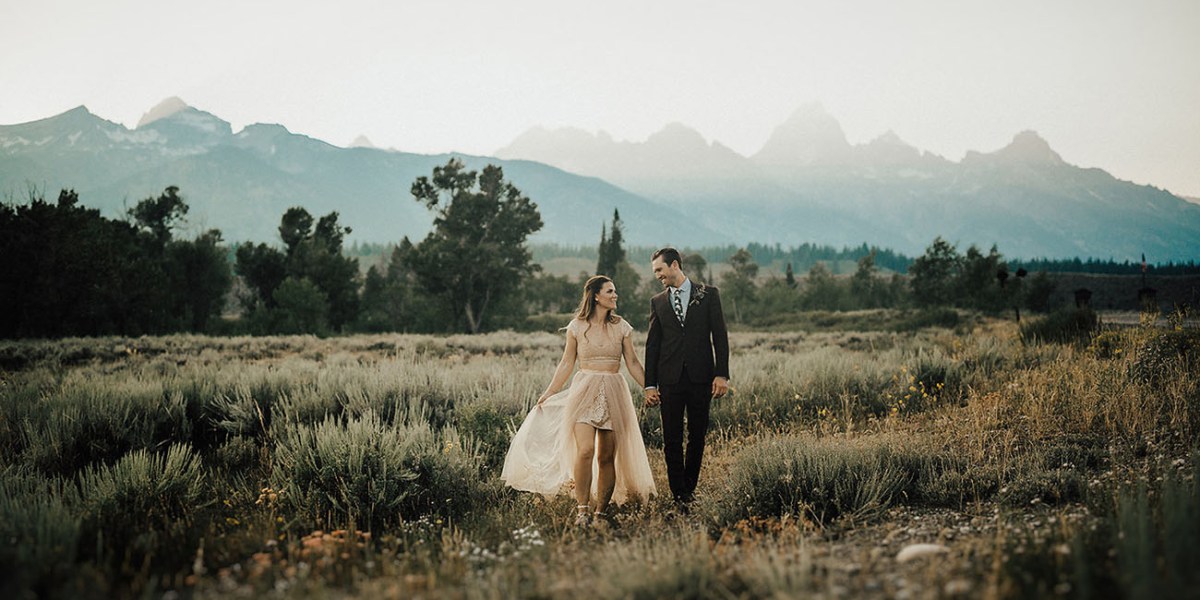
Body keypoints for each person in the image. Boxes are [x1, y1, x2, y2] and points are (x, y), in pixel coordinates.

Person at [501, 275, 656, 526]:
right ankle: (582, 509)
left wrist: (649, 387)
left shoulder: (621, 326)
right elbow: (566, 363)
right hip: (584, 391)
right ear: (596, 296)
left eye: (615, 291)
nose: (615, 295)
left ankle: (600, 513)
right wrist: (550, 391)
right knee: (585, 450)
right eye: (610, 291)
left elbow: (633, 363)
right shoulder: (576, 326)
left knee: (607, 456)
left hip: (614, 391)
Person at [643, 247, 729, 510]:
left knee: (697, 435)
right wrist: (649, 384)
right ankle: (678, 493)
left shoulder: (709, 295)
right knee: (671, 437)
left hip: (701, 377)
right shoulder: (657, 302)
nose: (657, 275)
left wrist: (721, 373)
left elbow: (720, 336)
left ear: (675, 265)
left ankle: (689, 489)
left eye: (660, 269)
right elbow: (652, 346)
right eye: (655, 271)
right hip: (669, 379)